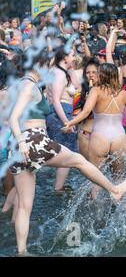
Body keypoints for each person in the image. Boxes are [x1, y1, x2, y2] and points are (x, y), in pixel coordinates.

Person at [8, 55, 126, 255]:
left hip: (19, 149)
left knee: (23, 206)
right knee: (80, 161)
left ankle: (21, 252)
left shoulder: (21, 85)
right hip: (33, 141)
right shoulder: (28, 85)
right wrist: (22, 142)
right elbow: (13, 117)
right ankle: (113, 189)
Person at [63, 63, 126, 195]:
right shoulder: (124, 94)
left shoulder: (95, 91)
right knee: (118, 179)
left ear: (102, 75)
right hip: (119, 138)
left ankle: (96, 213)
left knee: (96, 179)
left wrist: (70, 123)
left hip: (99, 137)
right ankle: (120, 210)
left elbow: (85, 112)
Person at [45, 45, 81, 192]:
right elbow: (56, 100)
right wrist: (67, 121)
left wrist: (71, 70)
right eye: (72, 54)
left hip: (56, 114)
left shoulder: (56, 71)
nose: (75, 57)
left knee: (61, 151)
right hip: (61, 113)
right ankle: (58, 188)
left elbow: (77, 86)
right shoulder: (59, 75)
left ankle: (58, 186)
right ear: (65, 58)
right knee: (66, 152)